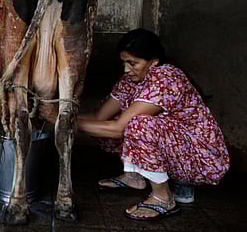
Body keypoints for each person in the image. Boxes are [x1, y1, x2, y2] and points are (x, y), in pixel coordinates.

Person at [39, 28, 230, 221]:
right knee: (107, 126)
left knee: (139, 124)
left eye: (133, 63)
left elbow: (117, 129)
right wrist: (59, 114)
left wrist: (59, 121)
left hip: (200, 159)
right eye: (124, 62)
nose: (126, 69)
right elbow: (99, 118)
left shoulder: (166, 78)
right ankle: (134, 176)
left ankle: (164, 198)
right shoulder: (130, 80)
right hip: (173, 150)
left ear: (154, 62)